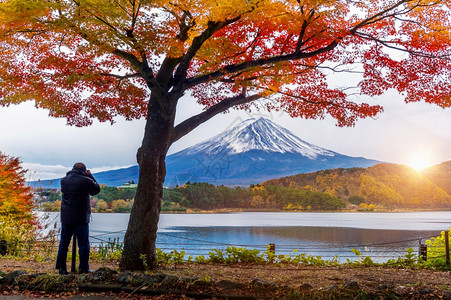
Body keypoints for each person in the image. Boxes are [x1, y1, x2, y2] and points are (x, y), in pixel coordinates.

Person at [56, 162, 100, 275]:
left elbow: (65, 184)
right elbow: (96, 190)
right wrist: (90, 176)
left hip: (66, 217)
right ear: (84, 171)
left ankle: (62, 268)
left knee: (64, 243)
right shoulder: (86, 180)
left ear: (72, 169)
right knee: (83, 244)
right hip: (81, 217)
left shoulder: (64, 180)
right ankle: (83, 268)